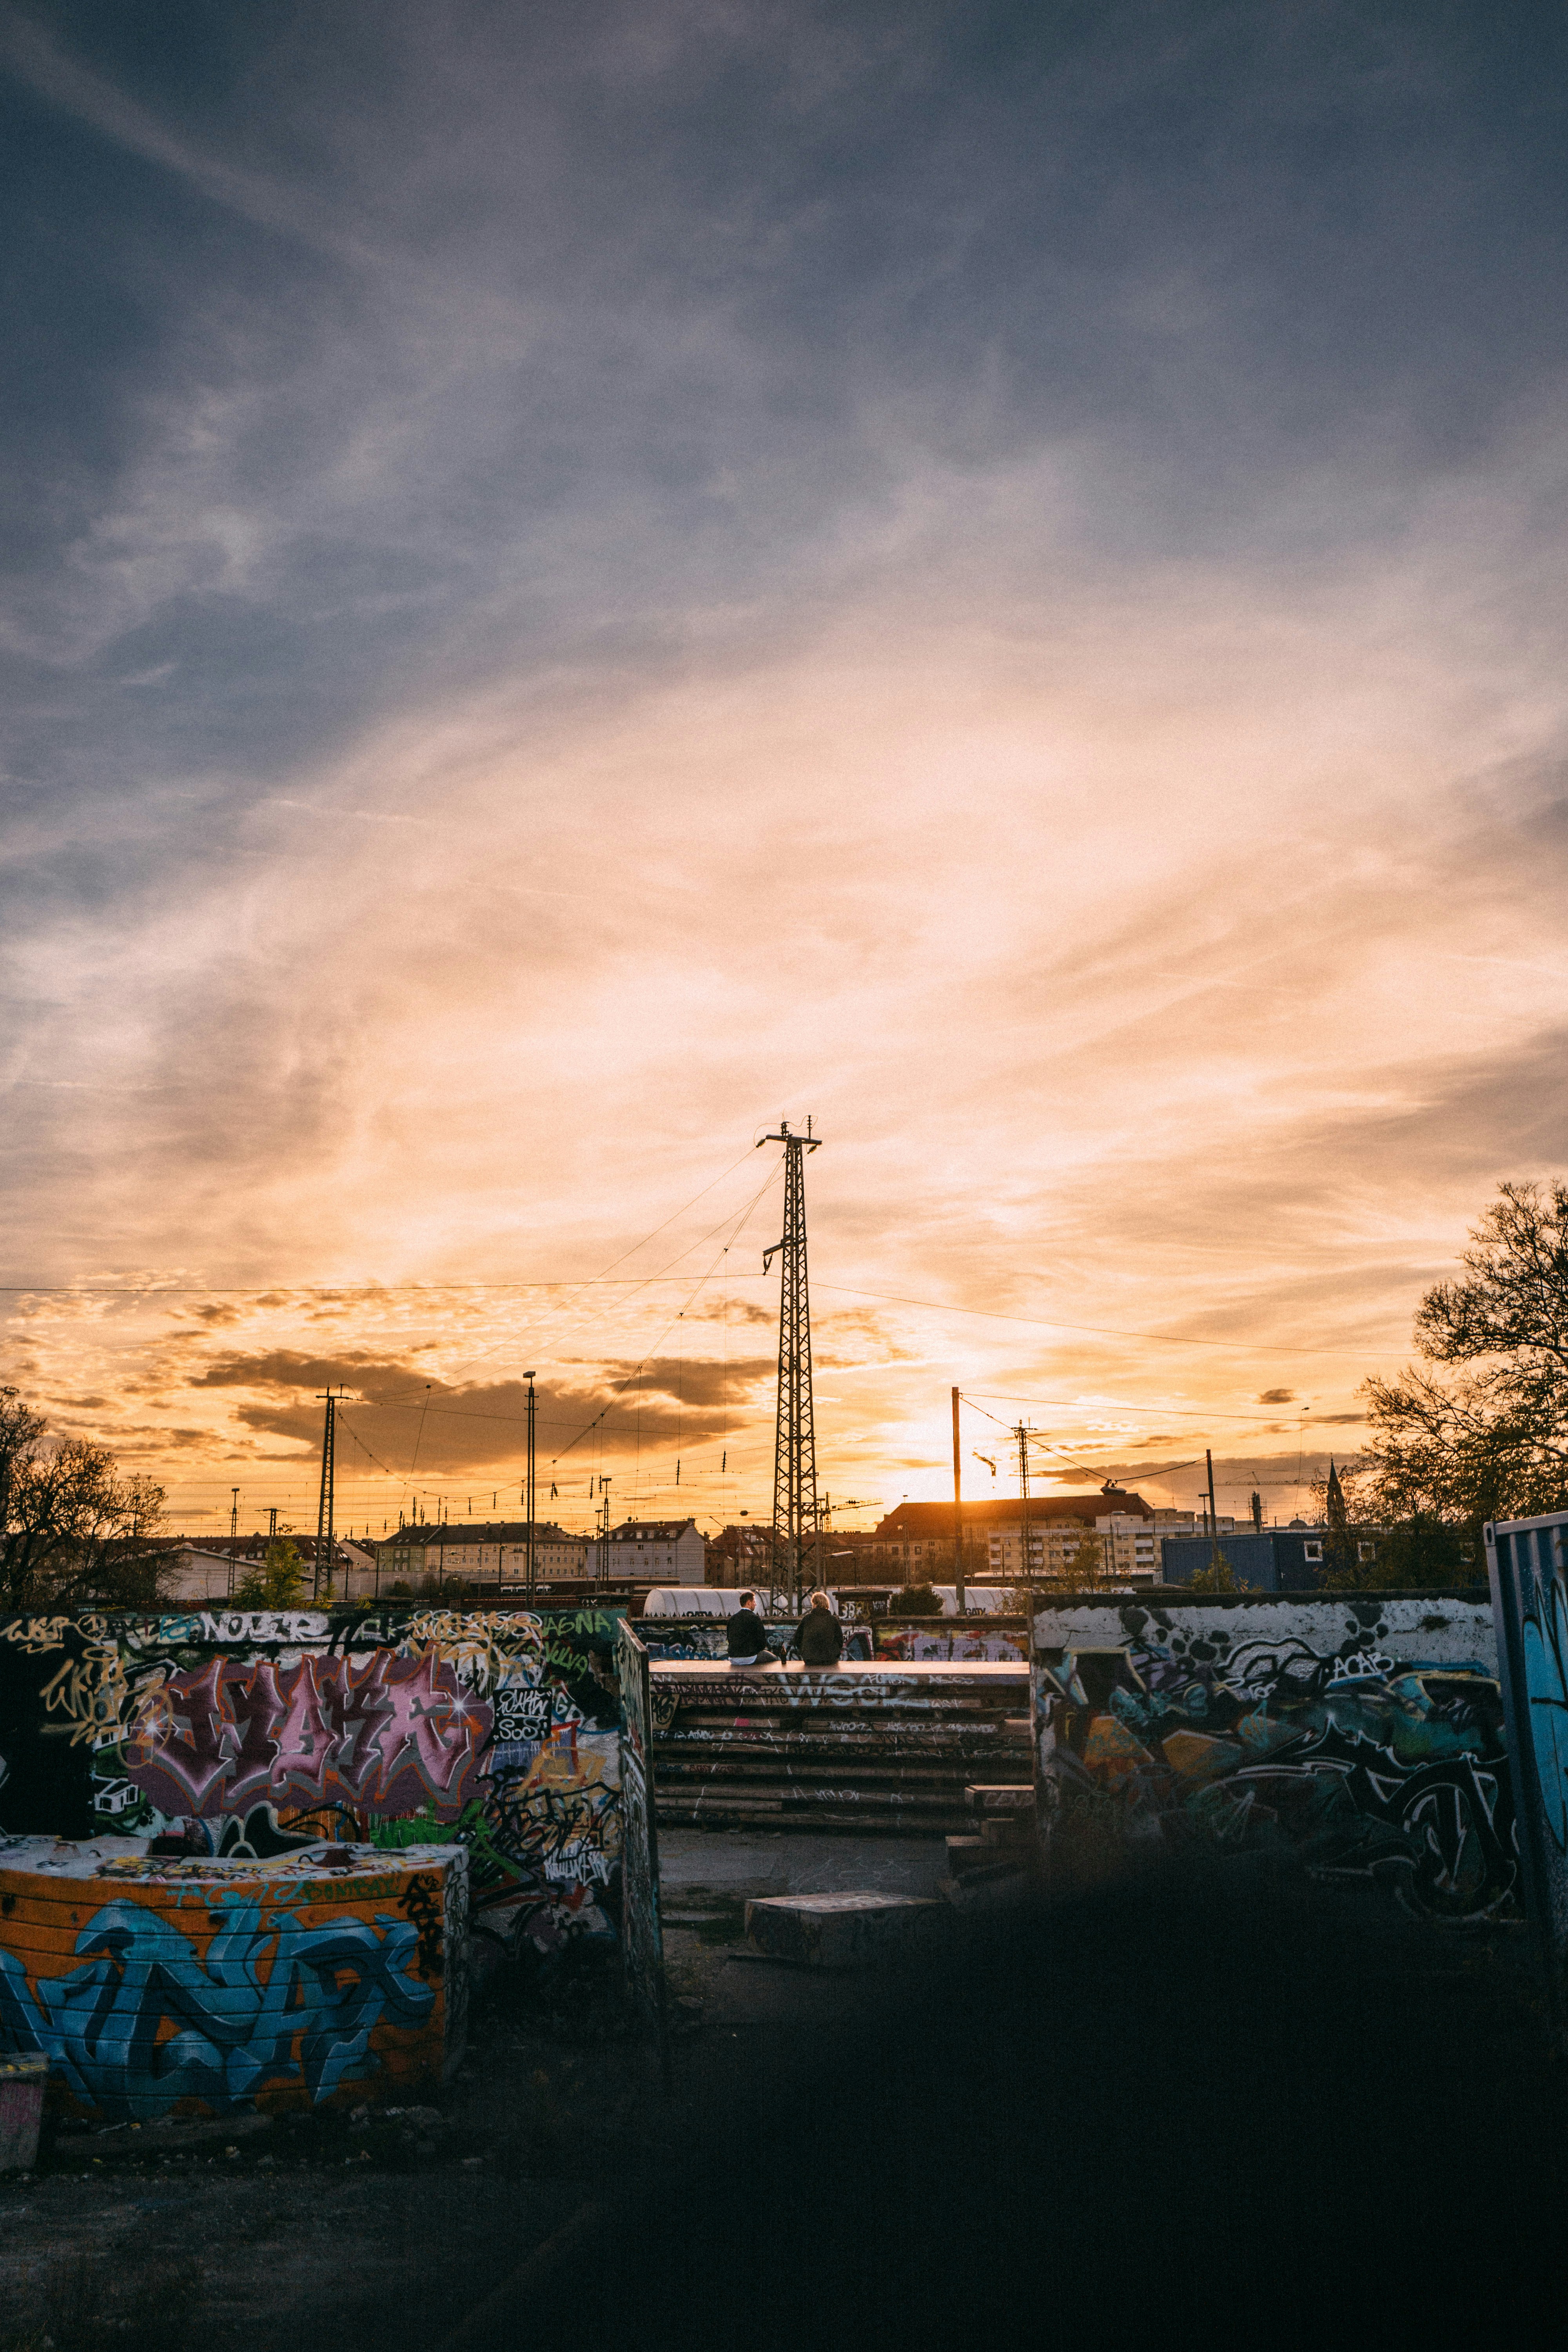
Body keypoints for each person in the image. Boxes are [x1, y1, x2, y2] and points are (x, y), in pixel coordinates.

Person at [796, 1589, 844, 1666]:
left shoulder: (807, 1619)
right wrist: (835, 1652)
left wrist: (804, 1652)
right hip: (830, 1659)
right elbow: (840, 1641)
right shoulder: (833, 1620)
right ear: (826, 1603)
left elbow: (797, 1639)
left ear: (814, 1604)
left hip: (810, 1659)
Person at [726, 1591, 774, 1667]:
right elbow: (762, 1643)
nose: (755, 1604)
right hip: (750, 1658)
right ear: (749, 1602)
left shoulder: (733, 1619)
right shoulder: (755, 1618)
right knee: (774, 1658)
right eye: (754, 1602)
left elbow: (730, 1639)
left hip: (733, 1658)